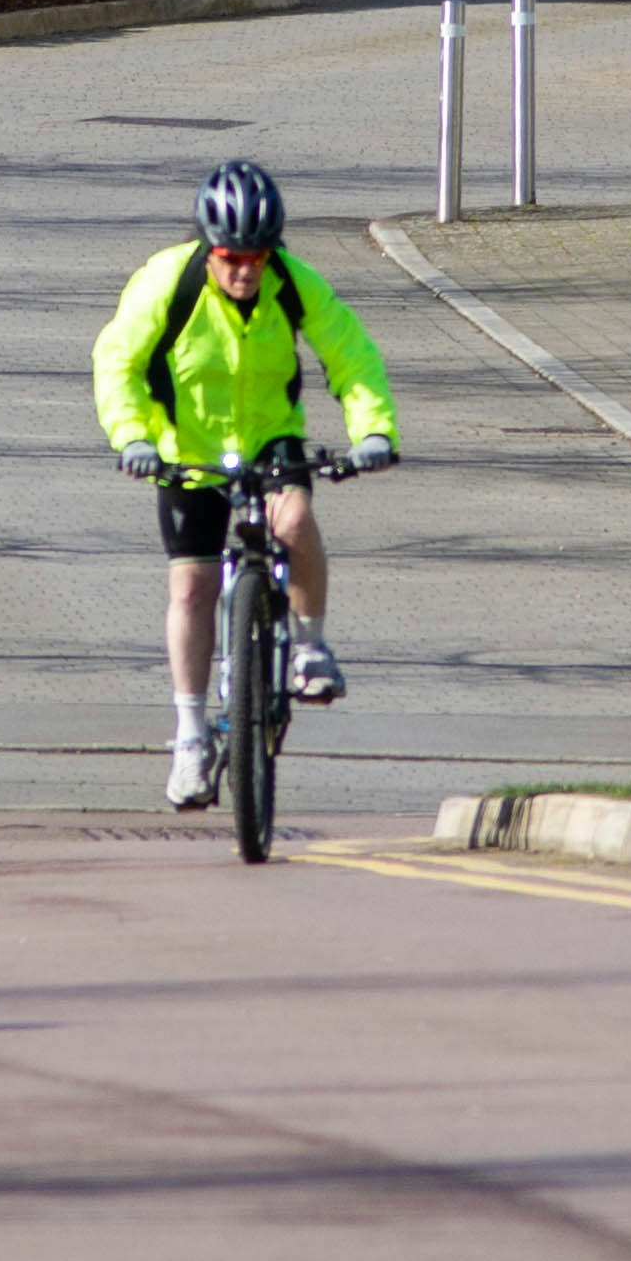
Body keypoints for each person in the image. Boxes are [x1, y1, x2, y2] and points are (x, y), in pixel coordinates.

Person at [90, 159, 400, 812]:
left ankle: (309, 648)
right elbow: (117, 361)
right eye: (232, 258)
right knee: (192, 587)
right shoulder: (167, 282)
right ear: (209, 248)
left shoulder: (293, 283)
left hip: (270, 437)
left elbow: (350, 352)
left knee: (292, 523)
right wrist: (134, 440)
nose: (245, 272)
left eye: (257, 258)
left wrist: (373, 432)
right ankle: (192, 738)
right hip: (184, 452)